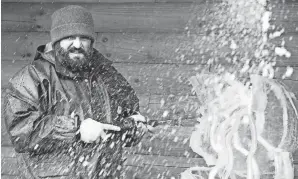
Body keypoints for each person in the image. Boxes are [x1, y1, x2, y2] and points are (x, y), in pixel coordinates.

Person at [4, 5, 150, 179]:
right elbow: (21, 131)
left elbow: (126, 116)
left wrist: (134, 128)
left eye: (84, 38)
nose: (78, 44)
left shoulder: (107, 75)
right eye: (70, 37)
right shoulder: (31, 78)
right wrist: (76, 130)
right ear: (57, 40)